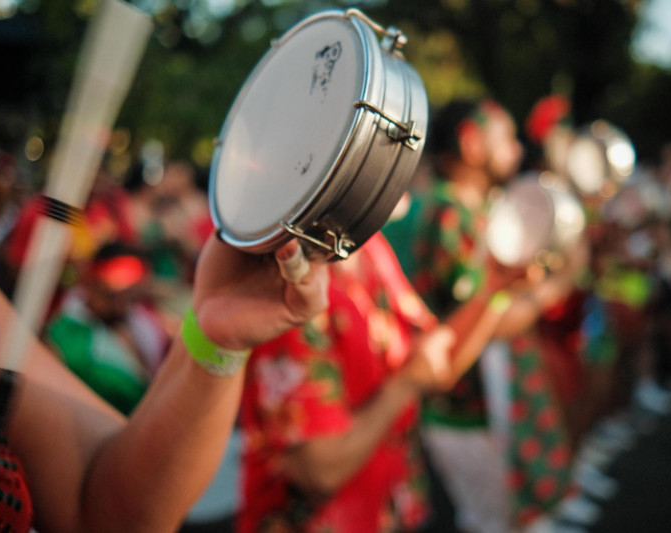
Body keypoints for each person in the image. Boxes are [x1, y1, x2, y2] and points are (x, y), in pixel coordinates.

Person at [0, 222, 329, 532]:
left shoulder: (143, 324)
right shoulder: (65, 338)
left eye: (130, 286)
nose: (122, 297)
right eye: (111, 287)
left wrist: (218, 340)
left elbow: (111, 513)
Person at [236, 228, 529, 533]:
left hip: (398, 510)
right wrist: (403, 386)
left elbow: (432, 365)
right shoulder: (291, 280)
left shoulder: (368, 244)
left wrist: (495, 291)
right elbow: (320, 471)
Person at [402, 98, 579, 532]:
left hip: (482, 403)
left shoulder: (471, 205)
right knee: (492, 521)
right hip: (465, 408)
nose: (517, 150)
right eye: (507, 138)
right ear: (471, 142)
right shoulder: (450, 212)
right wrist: (555, 287)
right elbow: (486, 321)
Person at [44, 241, 169, 415]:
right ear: (90, 281)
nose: (121, 305)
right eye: (111, 296)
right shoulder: (65, 339)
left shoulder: (140, 320)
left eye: (130, 296)